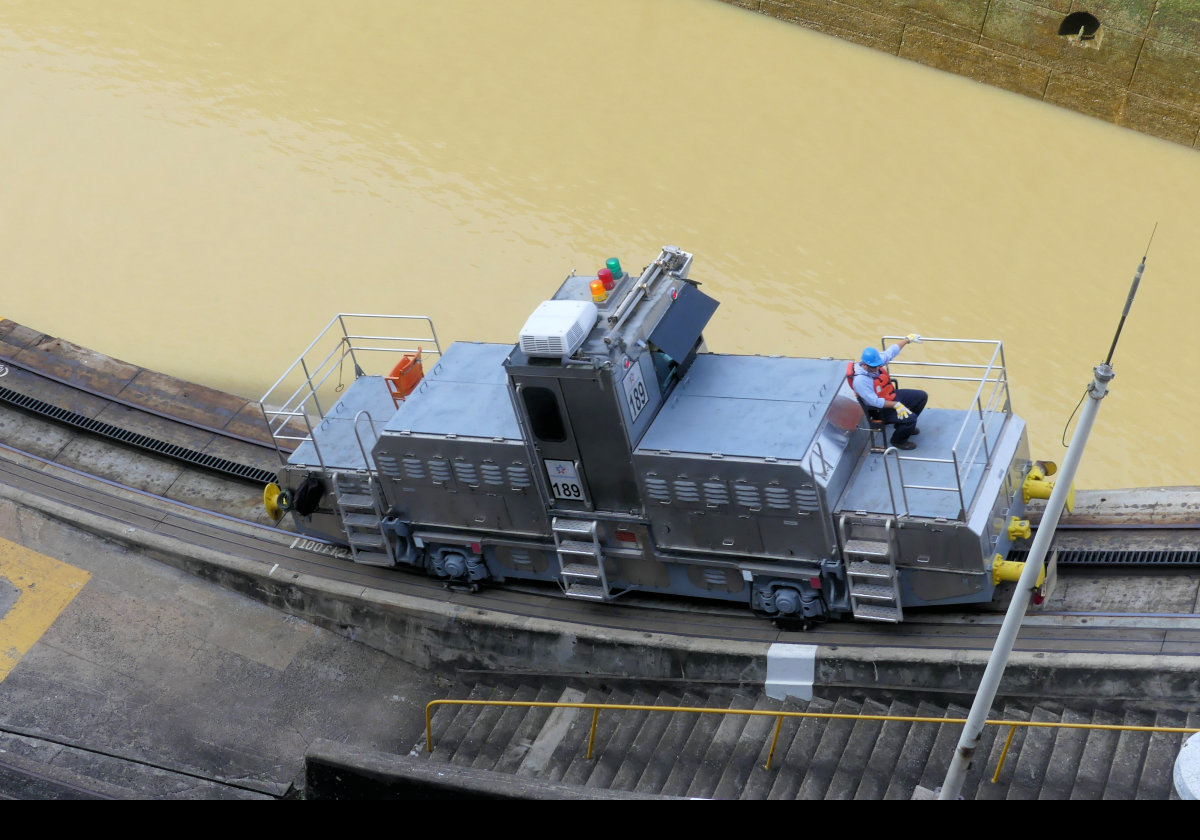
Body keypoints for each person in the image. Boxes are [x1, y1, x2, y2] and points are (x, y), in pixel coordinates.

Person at [849, 334, 928, 450]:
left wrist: (907, 340)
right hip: (879, 409)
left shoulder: (875, 362)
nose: (877, 369)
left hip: (890, 395)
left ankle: (902, 425)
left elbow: (891, 351)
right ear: (864, 365)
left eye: (878, 365)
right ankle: (898, 440)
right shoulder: (860, 381)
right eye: (873, 367)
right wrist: (896, 405)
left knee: (921, 396)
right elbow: (874, 401)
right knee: (911, 418)